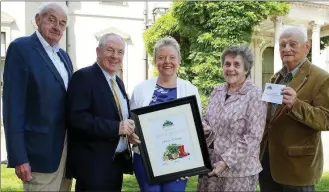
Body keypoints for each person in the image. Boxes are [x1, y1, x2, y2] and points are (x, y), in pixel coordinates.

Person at [3, 3, 73, 191]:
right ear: (37, 20)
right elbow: (13, 107)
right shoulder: (21, 49)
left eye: (62, 23)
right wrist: (19, 157)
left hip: (66, 155)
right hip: (39, 155)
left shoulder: (64, 56)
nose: (57, 27)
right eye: (51, 20)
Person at [259, 27, 329, 192]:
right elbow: (270, 120)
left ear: (307, 47)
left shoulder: (323, 79)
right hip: (268, 164)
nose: (286, 49)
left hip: (298, 168)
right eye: (282, 45)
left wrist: (296, 105)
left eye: (292, 44)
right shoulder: (276, 78)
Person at [65, 33, 139, 191]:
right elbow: (77, 119)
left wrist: (128, 134)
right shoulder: (83, 77)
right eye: (110, 50)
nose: (115, 56)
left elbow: (118, 116)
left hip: (115, 166)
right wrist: (117, 128)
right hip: (93, 168)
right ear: (98, 51)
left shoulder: (117, 81)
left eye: (120, 52)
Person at [130, 36, 202, 192]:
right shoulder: (141, 89)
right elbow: (132, 123)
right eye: (161, 57)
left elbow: (196, 128)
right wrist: (131, 135)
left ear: (179, 60)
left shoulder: (190, 90)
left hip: (178, 160)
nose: (166, 61)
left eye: (171, 57)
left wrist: (190, 164)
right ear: (155, 61)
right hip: (145, 159)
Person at [197, 45, 267, 191]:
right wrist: (204, 126)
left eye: (237, 65)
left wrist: (225, 162)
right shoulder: (217, 91)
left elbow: (253, 136)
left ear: (246, 69)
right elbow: (208, 118)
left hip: (239, 174)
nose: (231, 68)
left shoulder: (255, 96)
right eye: (227, 64)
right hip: (210, 168)